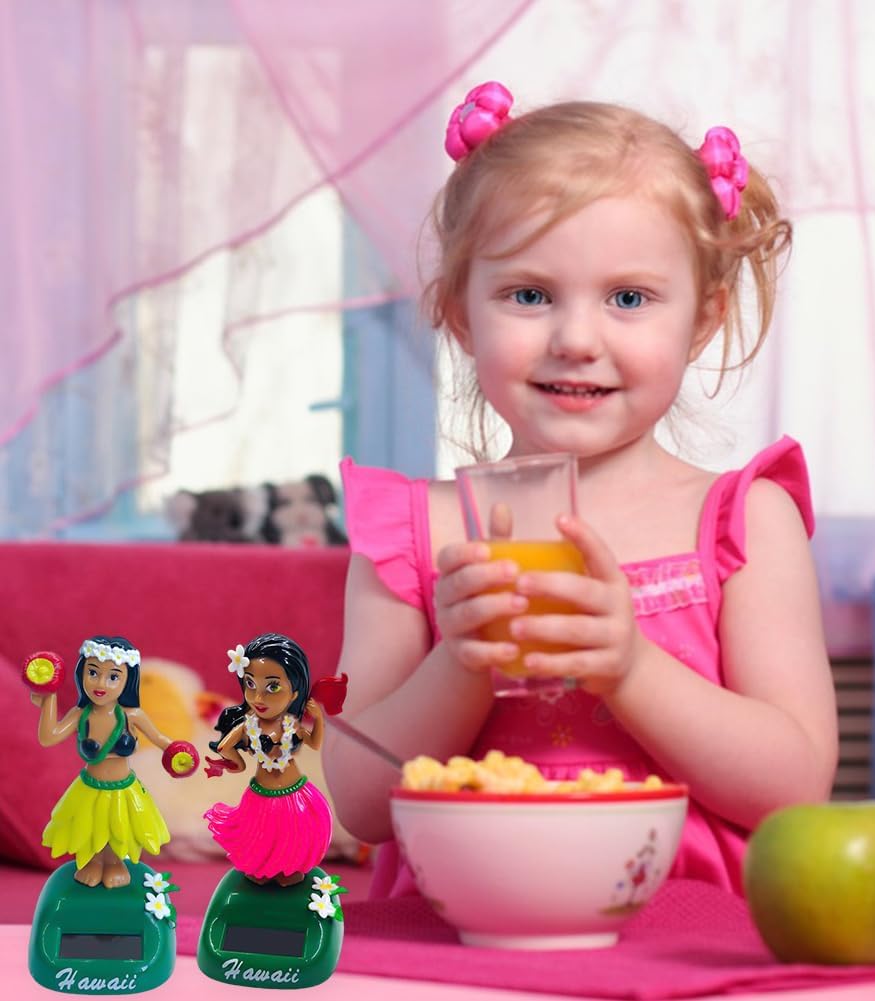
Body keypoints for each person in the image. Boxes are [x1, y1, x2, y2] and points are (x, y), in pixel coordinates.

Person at [324, 82, 838, 898]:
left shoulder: (743, 521)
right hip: (462, 936)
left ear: (702, 320)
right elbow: (357, 802)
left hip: (685, 941)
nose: (574, 338)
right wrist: (463, 660)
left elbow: (795, 786)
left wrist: (629, 666)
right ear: (460, 313)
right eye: (528, 295)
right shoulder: (412, 534)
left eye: (628, 298)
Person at [31, 635, 196, 889]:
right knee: (91, 828)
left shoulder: (132, 716)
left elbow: (160, 738)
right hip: (90, 788)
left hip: (122, 789)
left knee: (118, 830)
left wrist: (177, 753)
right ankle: (93, 862)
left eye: (113, 677)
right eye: (93, 673)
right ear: (81, 673)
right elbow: (48, 736)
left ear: (128, 681)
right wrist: (49, 699)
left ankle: (115, 862)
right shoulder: (81, 714)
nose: (101, 683)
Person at [204, 632, 332, 886]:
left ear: (294, 693)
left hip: (294, 793)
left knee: (291, 835)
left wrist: (318, 718)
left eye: (272, 687)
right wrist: (237, 764)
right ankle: (264, 867)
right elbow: (225, 746)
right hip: (261, 795)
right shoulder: (248, 726)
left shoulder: (290, 725)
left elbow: (315, 743)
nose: (258, 698)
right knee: (261, 835)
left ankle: (287, 868)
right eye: (250, 684)